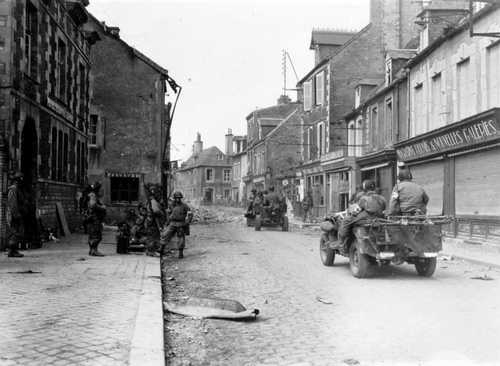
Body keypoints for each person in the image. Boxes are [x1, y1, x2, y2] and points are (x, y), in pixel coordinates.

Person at [337, 180, 386, 251]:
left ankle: (341, 242)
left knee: (346, 220)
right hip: (379, 218)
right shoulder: (382, 198)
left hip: (367, 218)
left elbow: (356, 211)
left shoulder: (364, 198)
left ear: (364, 188)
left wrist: (352, 214)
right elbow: (384, 209)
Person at [160, 191, 193, 259]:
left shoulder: (184, 206)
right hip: (172, 223)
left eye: (179, 198)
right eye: (176, 198)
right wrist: (167, 222)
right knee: (165, 235)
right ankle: (161, 251)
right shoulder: (171, 205)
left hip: (181, 223)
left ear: (181, 198)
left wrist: (187, 221)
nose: (178, 199)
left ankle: (180, 253)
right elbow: (168, 213)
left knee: (181, 238)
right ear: (174, 198)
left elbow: (190, 214)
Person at [85, 182, 106, 256]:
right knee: (97, 235)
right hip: (95, 218)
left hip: (92, 218)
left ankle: (92, 250)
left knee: (92, 234)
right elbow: (93, 205)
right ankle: (94, 250)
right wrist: (102, 207)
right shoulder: (93, 195)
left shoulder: (91, 195)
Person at [6, 172, 25, 257]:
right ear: (16, 181)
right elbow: (13, 204)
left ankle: (13, 250)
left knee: (16, 232)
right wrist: (16, 214)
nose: (21, 182)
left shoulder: (16, 189)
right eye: (20, 180)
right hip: (14, 214)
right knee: (15, 232)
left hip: (16, 213)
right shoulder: (13, 189)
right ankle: (12, 251)